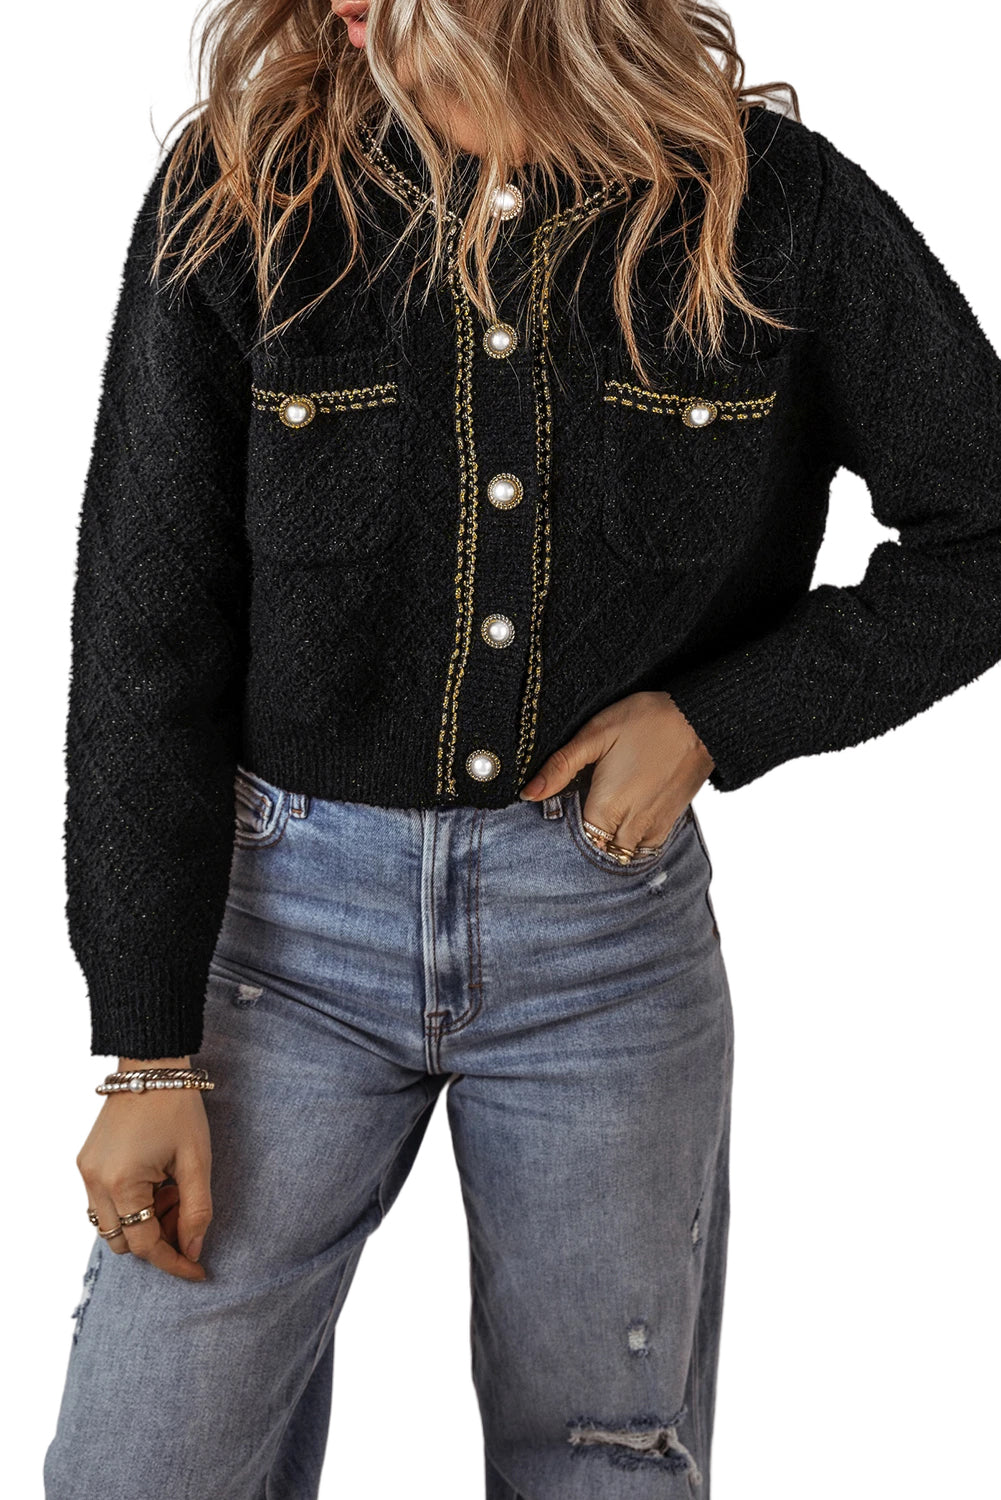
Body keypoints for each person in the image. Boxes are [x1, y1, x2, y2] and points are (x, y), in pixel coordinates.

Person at [44, 2, 1001, 1497]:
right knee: (139, 1467)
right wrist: (144, 1050)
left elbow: (984, 532)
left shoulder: (773, 211)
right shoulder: (246, 197)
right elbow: (143, 643)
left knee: (600, 1463)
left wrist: (718, 719)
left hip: (599, 951)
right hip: (277, 945)